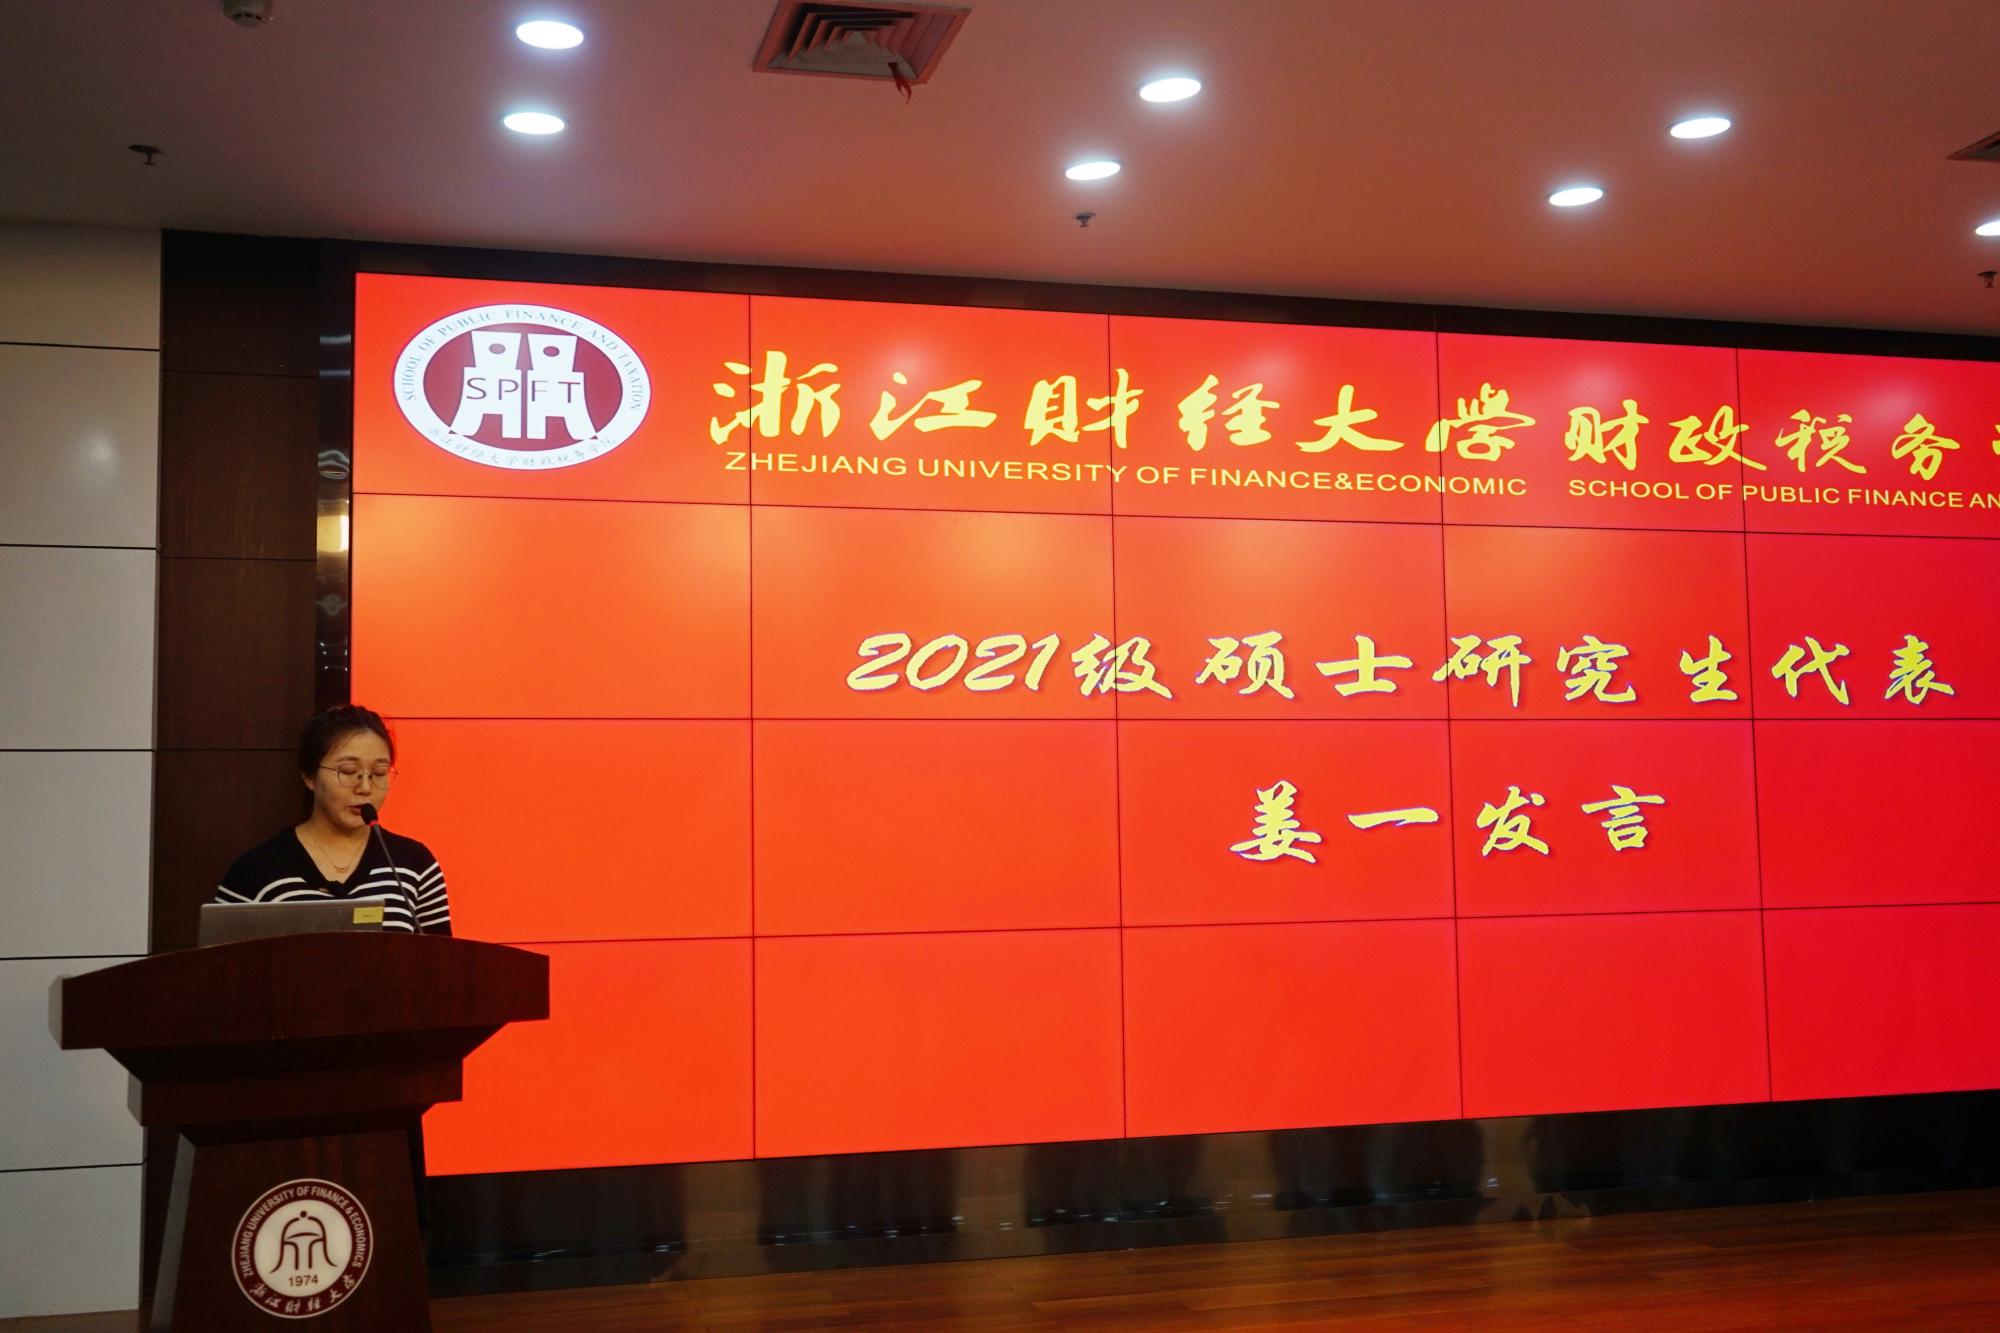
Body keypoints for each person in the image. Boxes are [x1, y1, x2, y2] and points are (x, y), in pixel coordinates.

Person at [216, 704, 451, 935]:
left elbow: (440, 958)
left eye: (379, 773)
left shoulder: (415, 865)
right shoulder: (255, 870)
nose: (365, 787)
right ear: (309, 776)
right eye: (348, 771)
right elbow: (220, 959)